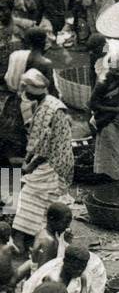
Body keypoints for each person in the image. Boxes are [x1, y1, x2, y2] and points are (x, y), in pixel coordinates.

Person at [12, 72, 74, 251]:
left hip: (53, 163)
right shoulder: (49, 104)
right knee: (42, 199)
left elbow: (44, 147)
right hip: (58, 159)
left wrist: (29, 165)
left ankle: (21, 237)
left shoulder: (48, 110)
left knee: (29, 193)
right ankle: (33, 235)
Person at [88, 42, 119, 181]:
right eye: (118, 72)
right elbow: (93, 104)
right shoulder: (104, 80)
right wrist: (118, 109)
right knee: (110, 155)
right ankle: (109, 183)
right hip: (108, 121)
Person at [19, 242, 103, 293]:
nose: (80, 271)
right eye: (76, 267)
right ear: (65, 262)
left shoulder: (80, 275)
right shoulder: (52, 279)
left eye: (83, 267)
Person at [29, 201, 72, 271]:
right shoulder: (49, 242)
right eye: (65, 222)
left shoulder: (41, 231)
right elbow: (42, 271)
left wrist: (65, 242)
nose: (68, 226)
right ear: (52, 220)